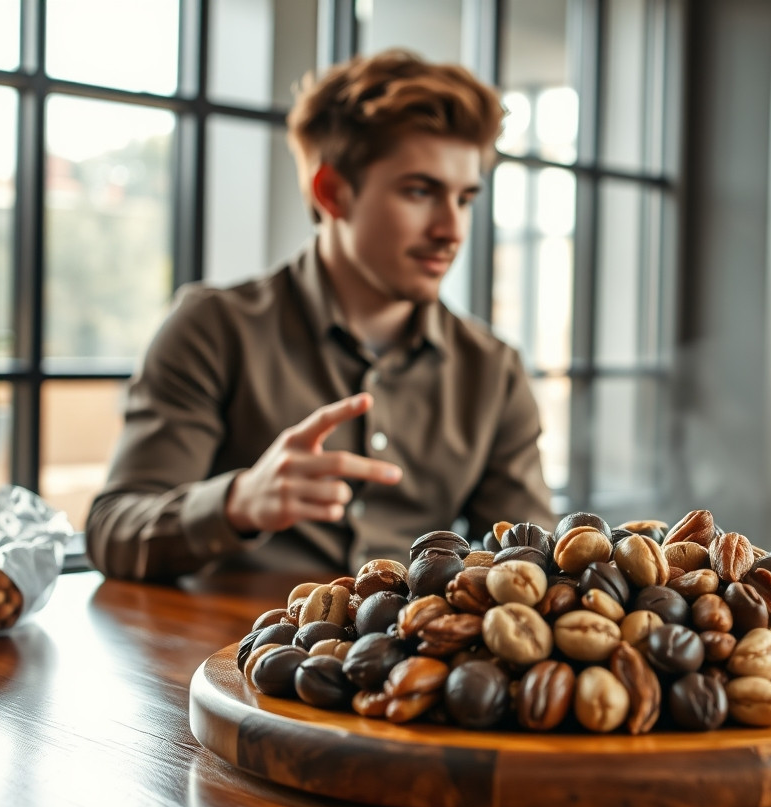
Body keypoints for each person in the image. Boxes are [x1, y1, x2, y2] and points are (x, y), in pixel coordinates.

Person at [87, 50, 556, 581]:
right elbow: (112, 532)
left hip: (402, 660)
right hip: (225, 657)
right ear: (332, 191)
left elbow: (530, 562)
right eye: (420, 191)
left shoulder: (493, 370)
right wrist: (236, 503)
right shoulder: (213, 328)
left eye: (465, 198)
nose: (452, 230)